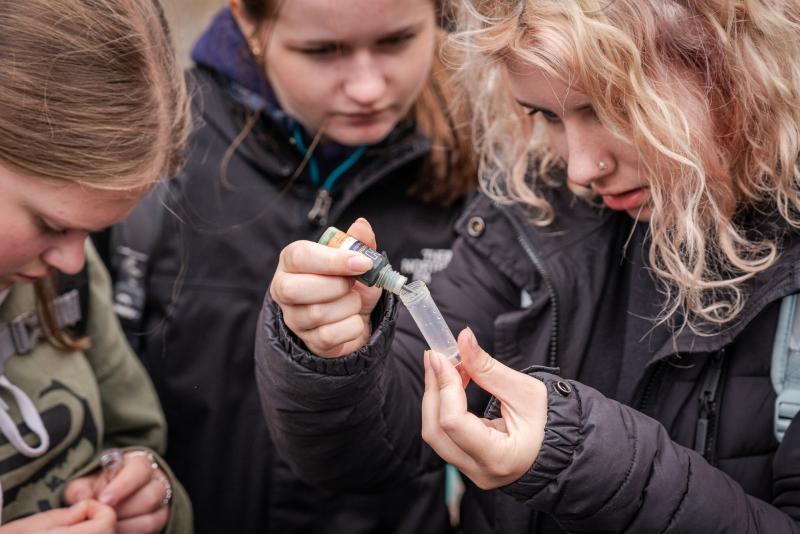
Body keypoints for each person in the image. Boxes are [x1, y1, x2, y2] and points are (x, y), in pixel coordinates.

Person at [258, 0, 800, 532]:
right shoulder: (537, 210)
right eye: (546, 115)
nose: (581, 170)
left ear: (736, 70)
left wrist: (578, 458)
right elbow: (363, 452)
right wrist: (330, 357)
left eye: (614, 109)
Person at [106, 0, 476, 532]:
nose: (368, 87)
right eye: (322, 51)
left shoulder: (485, 160)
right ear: (248, 20)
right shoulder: (159, 146)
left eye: (396, 41)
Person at [0, 0, 193, 532]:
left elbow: (134, 439)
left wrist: (147, 495)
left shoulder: (66, 277)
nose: (70, 257)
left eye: (93, 233)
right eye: (49, 224)